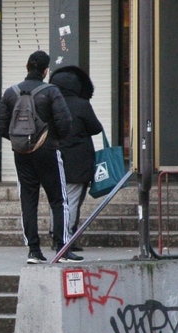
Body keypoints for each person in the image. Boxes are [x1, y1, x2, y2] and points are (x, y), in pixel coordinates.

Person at [0, 50, 83, 263]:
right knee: (58, 200)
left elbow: (0, 126)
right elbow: (65, 122)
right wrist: (52, 140)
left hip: (22, 154)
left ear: (27, 66)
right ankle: (62, 249)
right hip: (48, 152)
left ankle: (33, 251)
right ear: (45, 71)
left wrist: (21, 141)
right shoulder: (51, 91)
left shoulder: (10, 93)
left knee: (28, 200)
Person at [49, 66, 104, 252]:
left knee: (56, 200)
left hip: (51, 158)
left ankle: (55, 234)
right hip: (77, 161)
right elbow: (96, 128)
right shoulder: (81, 104)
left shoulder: (48, 102)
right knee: (71, 200)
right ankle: (65, 238)